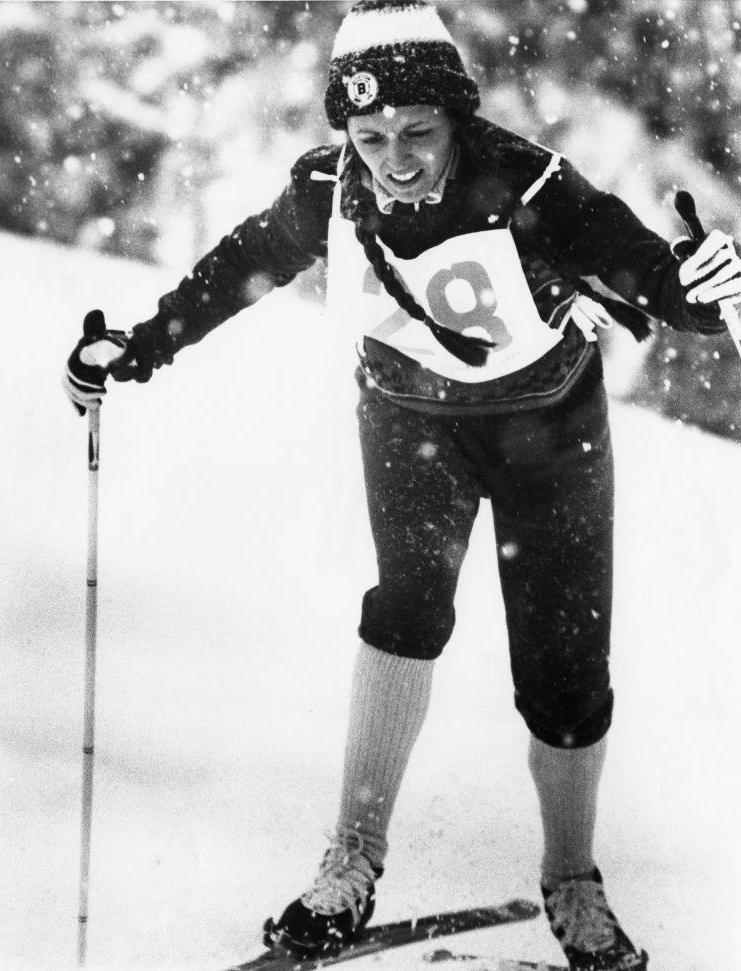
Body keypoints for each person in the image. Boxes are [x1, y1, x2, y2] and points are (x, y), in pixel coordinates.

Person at [64, 3, 741, 969]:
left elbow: (649, 274)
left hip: (550, 434)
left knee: (564, 669)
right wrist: (138, 348)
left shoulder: (528, 183)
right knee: (406, 611)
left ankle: (573, 876)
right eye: (371, 137)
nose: (396, 160)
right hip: (410, 423)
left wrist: (701, 291)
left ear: (457, 120)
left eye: (418, 132)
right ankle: (351, 858)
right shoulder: (329, 192)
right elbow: (241, 267)